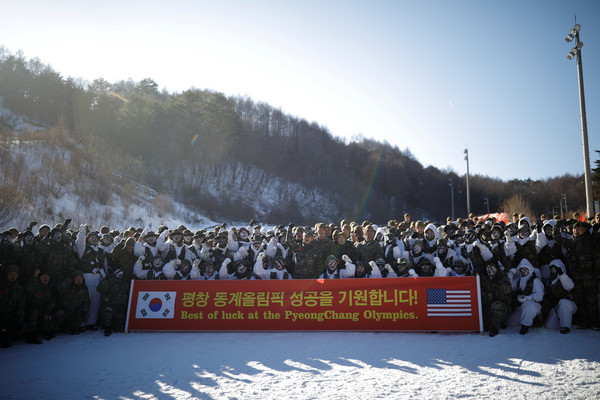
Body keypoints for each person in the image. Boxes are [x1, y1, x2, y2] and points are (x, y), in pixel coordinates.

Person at [553, 219, 599, 330]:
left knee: (592, 301)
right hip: (576, 277)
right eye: (574, 228)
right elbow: (557, 237)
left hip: (589, 277)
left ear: (585, 230)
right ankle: (583, 322)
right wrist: (558, 224)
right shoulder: (572, 243)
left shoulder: (590, 242)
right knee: (580, 300)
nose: (576, 230)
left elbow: (597, 255)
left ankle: (595, 323)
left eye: (579, 228)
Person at [509, 259, 545, 335]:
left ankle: (525, 326)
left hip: (535, 306)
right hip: (521, 306)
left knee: (529, 304)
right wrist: (511, 276)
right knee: (512, 323)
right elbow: (512, 287)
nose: (523, 271)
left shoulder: (536, 281)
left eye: (525, 269)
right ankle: (530, 320)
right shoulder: (519, 279)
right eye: (521, 269)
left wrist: (527, 298)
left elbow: (540, 296)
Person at [479, 261, 512, 337]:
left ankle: (495, 328)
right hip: (489, 308)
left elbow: (507, 290)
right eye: (487, 267)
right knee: (484, 326)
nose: (489, 269)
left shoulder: (503, 278)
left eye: (491, 267)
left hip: (502, 308)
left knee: (497, 305)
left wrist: (492, 284)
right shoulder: (485, 278)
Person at [544, 259, 577, 334]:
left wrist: (561, 274)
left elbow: (570, 286)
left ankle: (565, 326)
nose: (553, 271)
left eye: (555, 269)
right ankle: (563, 319)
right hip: (557, 307)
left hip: (569, 305)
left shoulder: (564, 278)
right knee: (549, 326)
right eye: (552, 269)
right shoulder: (550, 282)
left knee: (563, 302)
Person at [55, 270, 90, 334]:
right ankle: (60, 327)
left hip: (75, 312)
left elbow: (87, 302)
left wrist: (84, 311)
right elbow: (59, 289)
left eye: (80, 278)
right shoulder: (67, 287)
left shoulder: (84, 289)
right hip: (64, 311)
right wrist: (68, 281)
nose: (79, 280)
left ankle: (72, 327)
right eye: (77, 278)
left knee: (85, 313)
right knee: (59, 313)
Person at [97, 269, 131, 336]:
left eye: (122, 274)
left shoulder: (125, 283)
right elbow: (99, 289)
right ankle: (107, 327)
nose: (120, 276)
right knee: (107, 312)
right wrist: (104, 280)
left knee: (120, 328)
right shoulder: (109, 281)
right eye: (119, 274)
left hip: (120, 307)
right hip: (110, 305)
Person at [0, 265, 25, 347]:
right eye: (11, 273)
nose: (13, 276)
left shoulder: (18, 288)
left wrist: (19, 319)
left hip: (10, 315)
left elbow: (21, 305)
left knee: (23, 326)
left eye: (15, 274)